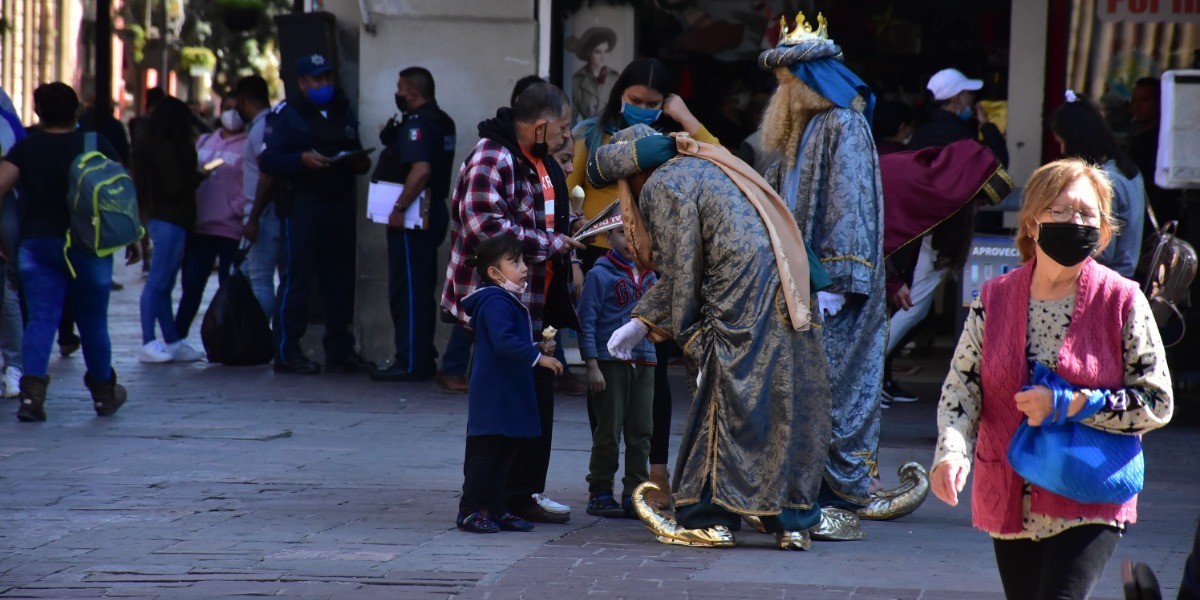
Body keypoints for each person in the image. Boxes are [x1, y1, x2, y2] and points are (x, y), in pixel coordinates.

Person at [930, 159, 1173, 600]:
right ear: (1032, 222)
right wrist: (951, 453)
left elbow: (1156, 401)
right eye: (1061, 211)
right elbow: (962, 387)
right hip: (1009, 492)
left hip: (1089, 493)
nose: (1074, 221)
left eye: (1086, 213)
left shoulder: (1122, 299)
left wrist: (1069, 403)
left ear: (1103, 230)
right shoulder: (995, 297)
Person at [590, 124, 834, 550]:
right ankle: (791, 521)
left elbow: (684, 273)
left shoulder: (662, 185)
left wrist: (664, 330)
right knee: (783, 397)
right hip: (790, 287)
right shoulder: (709, 164)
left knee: (720, 402)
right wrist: (645, 321)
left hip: (738, 299)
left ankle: (709, 517)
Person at [759, 13, 918, 527]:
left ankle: (836, 496)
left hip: (833, 290)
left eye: (787, 82)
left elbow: (849, 207)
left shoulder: (843, 125)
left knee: (834, 388)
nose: (780, 93)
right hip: (797, 284)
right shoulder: (797, 130)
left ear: (809, 82)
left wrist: (839, 280)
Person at [440, 82, 585, 524]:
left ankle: (516, 497)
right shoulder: (492, 157)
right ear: (540, 126)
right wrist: (551, 243)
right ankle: (479, 504)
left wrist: (569, 232)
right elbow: (487, 229)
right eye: (561, 129)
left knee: (531, 404)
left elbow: (539, 218)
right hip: (496, 305)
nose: (566, 138)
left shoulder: (538, 161)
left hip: (534, 307)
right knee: (495, 411)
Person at [0, 82, 140, 421]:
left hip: (38, 245)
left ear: (37, 112)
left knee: (41, 318)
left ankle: (32, 398)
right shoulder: (95, 144)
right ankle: (104, 393)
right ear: (77, 109)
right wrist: (134, 237)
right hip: (88, 245)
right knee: (92, 320)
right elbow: (121, 193)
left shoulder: (27, 149)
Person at [260, 53, 375, 375]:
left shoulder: (341, 109)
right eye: (316, 79)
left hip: (338, 203)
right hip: (304, 206)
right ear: (301, 83)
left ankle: (339, 349)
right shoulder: (287, 114)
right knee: (296, 279)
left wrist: (356, 160)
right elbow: (269, 161)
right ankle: (287, 351)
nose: (323, 84)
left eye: (326, 77)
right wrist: (301, 160)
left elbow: (357, 149)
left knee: (338, 281)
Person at [456, 235, 563, 534]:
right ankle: (470, 510)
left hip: (507, 393)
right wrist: (537, 358)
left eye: (523, 260)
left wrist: (537, 348)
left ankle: (499, 508)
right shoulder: (493, 301)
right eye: (515, 262)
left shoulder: (506, 300)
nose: (524, 267)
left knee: (504, 455)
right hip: (494, 395)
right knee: (486, 455)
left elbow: (509, 342)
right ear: (494, 272)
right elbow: (503, 343)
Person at [568, 57, 719, 265]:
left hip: (651, 257)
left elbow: (721, 160)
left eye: (652, 104)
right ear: (620, 94)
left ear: (665, 104)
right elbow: (566, 190)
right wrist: (574, 245)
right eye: (635, 101)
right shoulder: (591, 133)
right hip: (595, 252)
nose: (643, 109)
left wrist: (685, 116)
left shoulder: (673, 141)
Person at [371, 67, 457, 382]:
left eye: (400, 88)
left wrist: (399, 207)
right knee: (419, 289)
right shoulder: (442, 120)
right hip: (430, 212)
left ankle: (410, 361)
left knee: (407, 291)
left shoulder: (419, 124)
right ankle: (419, 357)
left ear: (413, 92)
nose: (397, 93)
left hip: (413, 216)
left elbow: (420, 170)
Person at [578, 223, 657, 518]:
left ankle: (635, 492)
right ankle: (599, 490)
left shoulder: (652, 276)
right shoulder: (599, 275)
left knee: (641, 430)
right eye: (622, 232)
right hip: (610, 363)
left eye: (637, 231)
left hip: (645, 361)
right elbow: (587, 321)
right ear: (608, 237)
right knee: (608, 429)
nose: (631, 238)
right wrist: (591, 363)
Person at [132, 96, 207, 364]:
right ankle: (148, 341)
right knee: (158, 283)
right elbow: (175, 186)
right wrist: (200, 175)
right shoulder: (168, 148)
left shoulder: (150, 144)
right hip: (171, 220)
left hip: (164, 218)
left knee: (164, 284)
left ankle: (171, 340)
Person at [174, 95, 249, 340]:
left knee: (230, 288)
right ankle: (177, 337)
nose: (231, 114)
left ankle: (230, 338)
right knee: (192, 287)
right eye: (226, 108)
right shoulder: (205, 141)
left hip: (231, 229)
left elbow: (251, 182)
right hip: (201, 228)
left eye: (235, 108)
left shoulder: (249, 144)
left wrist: (236, 208)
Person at [1052, 93, 1144, 278]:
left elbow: (1102, 251)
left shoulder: (1102, 180)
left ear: (1076, 140)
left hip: (1105, 283)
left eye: (1062, 142)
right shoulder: (1124, 169)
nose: (1061, 151)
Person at [235, 75, 283, 317]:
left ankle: (258, 337)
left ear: (242, 101)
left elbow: (267, 175)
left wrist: (253, 218)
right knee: (246, 275)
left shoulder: (261, 129)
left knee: (260, 280)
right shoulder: (271, 124)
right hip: (266, 213)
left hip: (263, 214)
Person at [910, 68, 1009, 167]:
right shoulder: (960, 135)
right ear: (955, 97)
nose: (973, 97)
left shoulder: (920, 132)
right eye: (969, 93)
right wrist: (986, 124)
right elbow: (997, 164)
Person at [1125, 77, 1182, 227]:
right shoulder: (1137, 140)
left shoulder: (1164, 141)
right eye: (1135, 100)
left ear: (1159, 102)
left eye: (1144, 100)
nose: (1137, 107)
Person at [569, 27, 621, 122]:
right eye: (598, 52)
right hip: (586, 133)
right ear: (588, 53)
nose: (603, 57)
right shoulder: (577, 80)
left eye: (606, 51)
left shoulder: (615, 78)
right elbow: (572, 115)